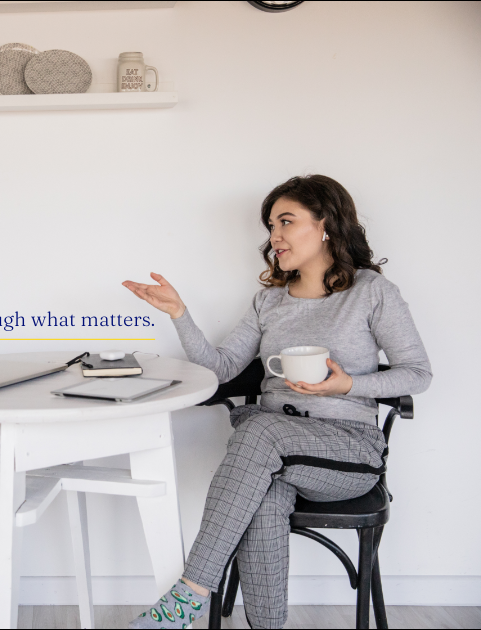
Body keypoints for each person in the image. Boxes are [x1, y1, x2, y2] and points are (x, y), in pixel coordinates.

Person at [122, 175, 431, 629]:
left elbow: (418, 374)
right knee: (264, 496)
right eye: (271, 226)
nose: (275, 236)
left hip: (346, 451)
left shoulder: (371, 292)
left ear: (326, 224)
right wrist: (179, 315)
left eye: (286, 221)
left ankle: (188, 597)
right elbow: (222, 369)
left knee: (259, 430)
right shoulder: (268, 301)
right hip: (270, 454)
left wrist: (348, 386)